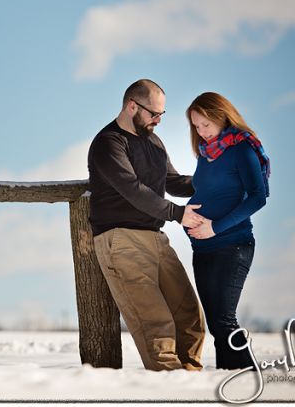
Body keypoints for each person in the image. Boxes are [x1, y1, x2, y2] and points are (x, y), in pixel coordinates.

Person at [88, 79, 206, 371]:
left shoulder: (152, 141)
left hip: (155, 237)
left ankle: (192, 384)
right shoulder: (108, 143)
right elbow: (134, 190)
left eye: (162, 114)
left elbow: (172, 181)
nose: (158, 120)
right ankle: (170, 392)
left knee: (189, 314)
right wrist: (178, 214)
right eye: (154, 113)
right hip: (121, 239)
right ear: (131, 106)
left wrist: (215, 182)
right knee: (156, 323)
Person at [184, 92, 269, 370]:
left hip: (233, 245)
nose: (201, 132)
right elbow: (206, 193)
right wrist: (189, 219)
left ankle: (247, 379)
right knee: (216, 326)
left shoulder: (241, 150)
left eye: (206, 125)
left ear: (222, 117)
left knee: (224, 320)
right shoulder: (205, 155)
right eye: (196, 126)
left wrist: (214, 227)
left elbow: (258, 196)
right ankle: (228, 381)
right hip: (203, 249)